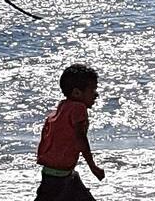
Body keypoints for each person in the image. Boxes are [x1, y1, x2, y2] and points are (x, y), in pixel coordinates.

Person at [36, 64, 106, 201]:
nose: (96, 95)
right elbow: (81, 139)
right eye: (93, 90)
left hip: (61, 173)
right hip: (58, 178)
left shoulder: (63, 107)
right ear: (77, 93)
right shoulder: (78, 108)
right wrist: (93, 166)